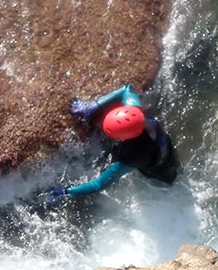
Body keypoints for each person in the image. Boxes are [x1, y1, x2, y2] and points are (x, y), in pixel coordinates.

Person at [46, 84, 178, 203]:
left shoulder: (132, 156)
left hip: (160, 171)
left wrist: (65, 191)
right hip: (164, 148)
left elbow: (98, 184)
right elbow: (127, 89)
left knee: (167, 180)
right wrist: (94, 105)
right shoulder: (135, 113)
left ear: (125, 138)